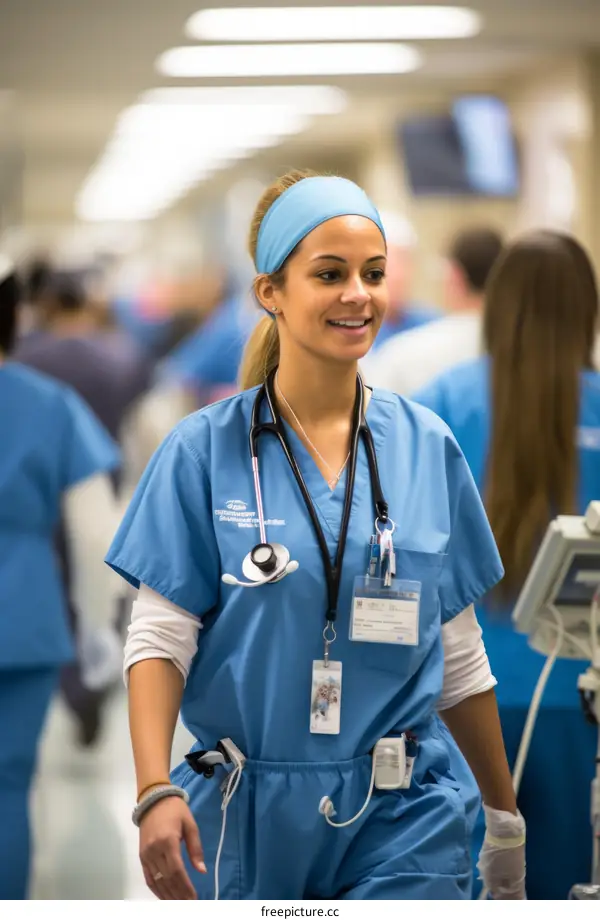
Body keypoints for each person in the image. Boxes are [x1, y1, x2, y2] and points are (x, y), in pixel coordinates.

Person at [105, 170, 526, 901]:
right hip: (246, 812)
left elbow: (458, 654)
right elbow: (159, 638)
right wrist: (151, 789)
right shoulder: (205, 453)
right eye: (329, 274)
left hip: (406, 810)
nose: (357, 294)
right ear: (271, 291)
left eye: (372, 273)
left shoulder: (426, 446)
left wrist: (504, 817)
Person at [412, 230, 600, 899]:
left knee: (466, 883)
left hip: (459, 698)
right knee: (572, 886)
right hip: (582, 700)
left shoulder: (437, 406)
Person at [0, 255, 122, 898]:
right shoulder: (49, 406)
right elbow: (94, 531)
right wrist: (98, 625)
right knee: (7, 786)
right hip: (23, 622)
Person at [13, 270, 151, 745]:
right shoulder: (119, 356)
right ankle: (91, 681)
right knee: (97, 576)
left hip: (35, 490)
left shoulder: (26, 360)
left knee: (50, 581)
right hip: (99, 480)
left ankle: (65, 684)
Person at [364, 227, 503, 393]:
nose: (398, 275)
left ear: (454, 275)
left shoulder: (402, 354)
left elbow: (373, 412)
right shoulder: (527, 349)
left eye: (404, 262)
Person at [370, 210, 439, 350]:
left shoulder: (431, 325)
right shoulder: (352, 328)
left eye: (405, 261)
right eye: (392, 264)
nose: (399, 274)